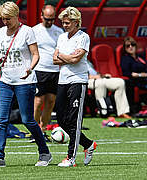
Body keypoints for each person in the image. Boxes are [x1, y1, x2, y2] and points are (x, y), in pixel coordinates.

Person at [0, 1, 51, 167]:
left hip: (25, 82)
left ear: (16, 16)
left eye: (8, 18)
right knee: (1, 120)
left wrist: (30, 68)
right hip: (5, 82)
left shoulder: (27, 32)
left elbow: (36, 54)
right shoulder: (1, 32)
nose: (5, 22)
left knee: (28, 120)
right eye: (2, 18)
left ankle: (44, 153)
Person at [53, 7, 96, 167]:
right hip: (62, 81)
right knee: (61, 119)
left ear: (76, 22)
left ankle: (71, 158)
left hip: (78, 81)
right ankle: (89, 144)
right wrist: (68, 57)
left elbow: (75, 60)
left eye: (67, 23)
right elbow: (54, 59)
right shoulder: (62, 37)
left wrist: (64, 56)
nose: (64, 25)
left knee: (74, 119)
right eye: (63, 22)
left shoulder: (83, 37)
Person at [32, 5, 64, 141]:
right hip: (40, 69)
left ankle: (43, 130)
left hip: (55, 70)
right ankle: (34, 130)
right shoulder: (34, 31)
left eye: (52, 19)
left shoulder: (59, 31)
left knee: (51, 101)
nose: (50, 22)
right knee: (38, 101)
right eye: (47, 19)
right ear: (41, 16)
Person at [120, 36, 147, 114]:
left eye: (133, 44)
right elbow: (126, 72)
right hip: (135, 80)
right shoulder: (125, 58)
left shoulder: (140, 57)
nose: (131, 47)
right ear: (125, 48)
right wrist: (139, 75)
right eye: (128, 46)